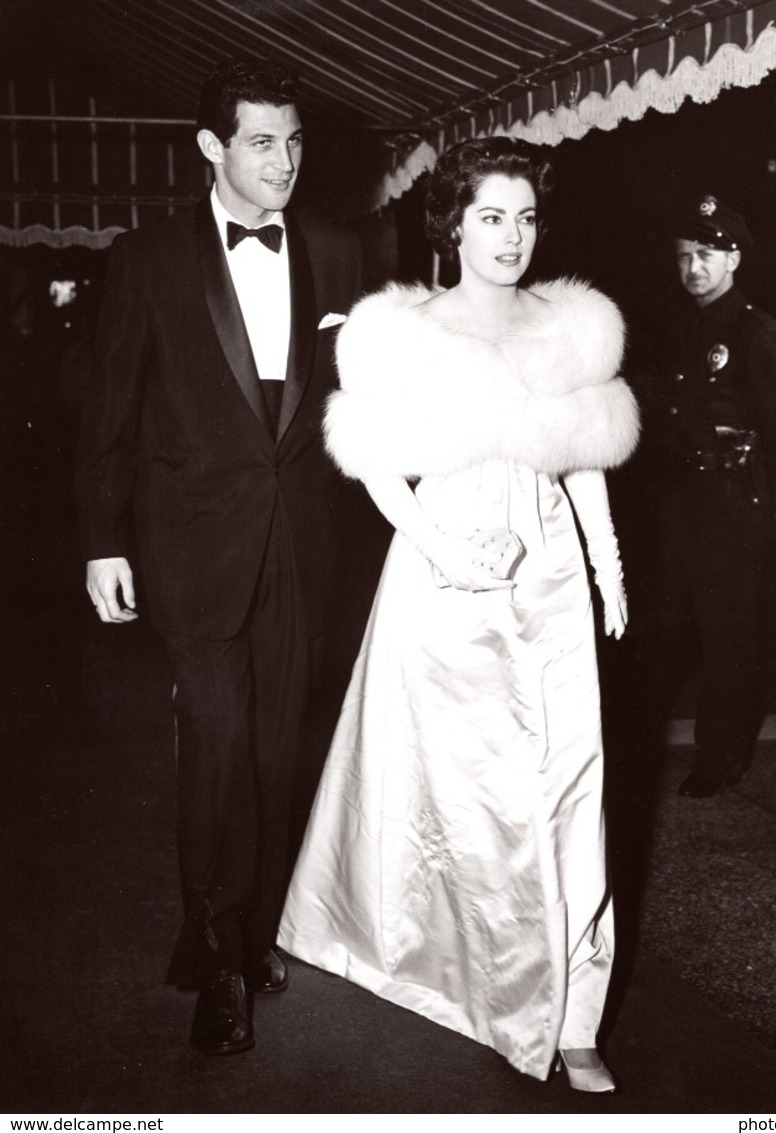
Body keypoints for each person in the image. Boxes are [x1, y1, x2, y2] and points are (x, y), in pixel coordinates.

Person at [279, 137, 639, 1090]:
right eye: (491, 216)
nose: (511, 236)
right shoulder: (400, 329)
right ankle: (475, 981)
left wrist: (604, 565)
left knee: (566, 781)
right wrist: (441, 549)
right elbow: (376, 464)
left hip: (548, 569)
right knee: (460, 790)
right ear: (451, 223)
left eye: (524, 217)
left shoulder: (572, 325)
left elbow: (583, 453)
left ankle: (572, 1014)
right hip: (442, 568)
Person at [75, 58, 362, 1055]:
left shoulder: (337, 248)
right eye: (260, 142)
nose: (283, 162)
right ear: (211, 147)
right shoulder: (148, 256)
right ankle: (219, 956)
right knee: (218, 749)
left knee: (281, 755)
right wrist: (103, 541)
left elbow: (365, 401)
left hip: (303, 547)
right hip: (193, 549)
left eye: (292, 141)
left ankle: (251, 922)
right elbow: (107, 413)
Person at [639, 194, 776, 798]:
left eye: (706, 255)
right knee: (673, 627)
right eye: (684, 256)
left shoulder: (755, 332)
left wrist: (771, 510)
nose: (693, 268)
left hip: (734, 504)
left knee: (727, 636)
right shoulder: (681, 328)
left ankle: (720, 758)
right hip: (683, 501)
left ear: (734, 260)